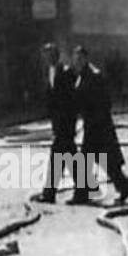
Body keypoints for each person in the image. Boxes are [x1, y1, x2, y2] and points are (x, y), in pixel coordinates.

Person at [71, 45, 128, 206]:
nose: (77, 61)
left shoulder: (94, 75)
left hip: (98, 126)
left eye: (80, 58)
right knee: (106, 162)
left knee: (89, 160)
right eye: (75, 58)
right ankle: (124, 188)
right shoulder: (83, 75)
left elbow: (103, 102)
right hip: (92, 125)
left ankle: (82, 194)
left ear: (86, 58)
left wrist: (95, 120)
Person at [31, 43, 79, 204]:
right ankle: (85, 188)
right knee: (69, 155)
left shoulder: (64, 72)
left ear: (55, 56)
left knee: (58, 156)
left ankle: (50, 193)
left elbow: (71, 100)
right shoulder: (50, 72)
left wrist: (69, 122)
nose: (45, 58)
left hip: (65, 123)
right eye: (44, 55)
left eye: (48, 54)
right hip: (59, 123)